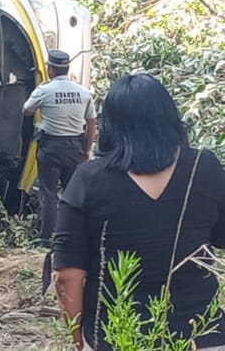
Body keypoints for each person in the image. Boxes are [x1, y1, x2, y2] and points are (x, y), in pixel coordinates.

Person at [53, 74, 225, 351]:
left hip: (117, 337)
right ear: (169, 118)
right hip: (202, 336)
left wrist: (79, 342)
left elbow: (67, 275)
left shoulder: (88, 179)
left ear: (109, 125)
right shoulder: (204, 167)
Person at [23, 50, 96, 247]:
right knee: (73, 194)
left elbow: (26, 110)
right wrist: (87, 150)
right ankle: (73, 238)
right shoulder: (83, 92)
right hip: (75, 147)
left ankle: (47, 240)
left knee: (48, 194)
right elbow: (91, 123)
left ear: (51, 68)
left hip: (51, 147)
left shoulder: (44, 90)